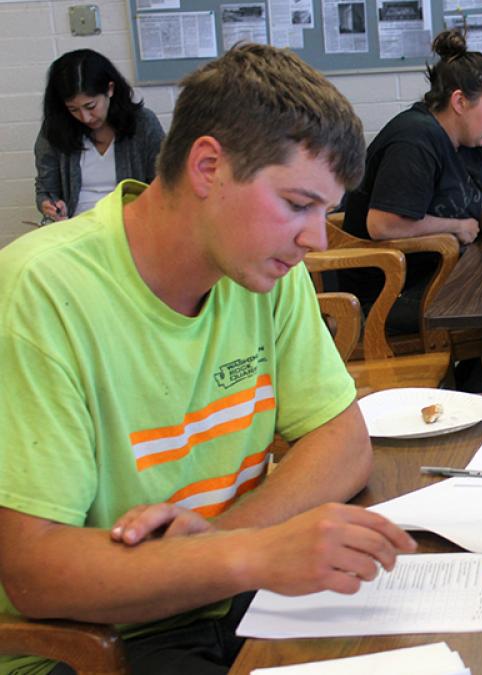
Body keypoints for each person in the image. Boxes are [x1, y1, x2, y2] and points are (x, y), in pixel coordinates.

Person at [0, 44, 417, 675]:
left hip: (232, 601)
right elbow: (36, 572)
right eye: (298, 204)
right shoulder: (42, 290)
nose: (315, 238)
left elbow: (344, 441)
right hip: (104, 644)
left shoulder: (261, 270)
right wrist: (253, 555)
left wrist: (228, 542)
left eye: (324, 211)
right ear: (207, 166)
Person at [340, 29, 482, 339]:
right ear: (460, 101)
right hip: (387, 295)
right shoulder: (414, 140)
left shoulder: (472, 140)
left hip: (439, 274)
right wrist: (454, 227)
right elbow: (382, 225)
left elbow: (479, 209)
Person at [34, 49, 165, 224]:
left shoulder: (143, 123)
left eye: (90, 106)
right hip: (76, 228)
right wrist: (49, 205)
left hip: (130, 227)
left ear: (110, 89)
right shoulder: (55, 129)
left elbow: (163, 182)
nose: (85, 117)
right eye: (73, 109)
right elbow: (46, 189)